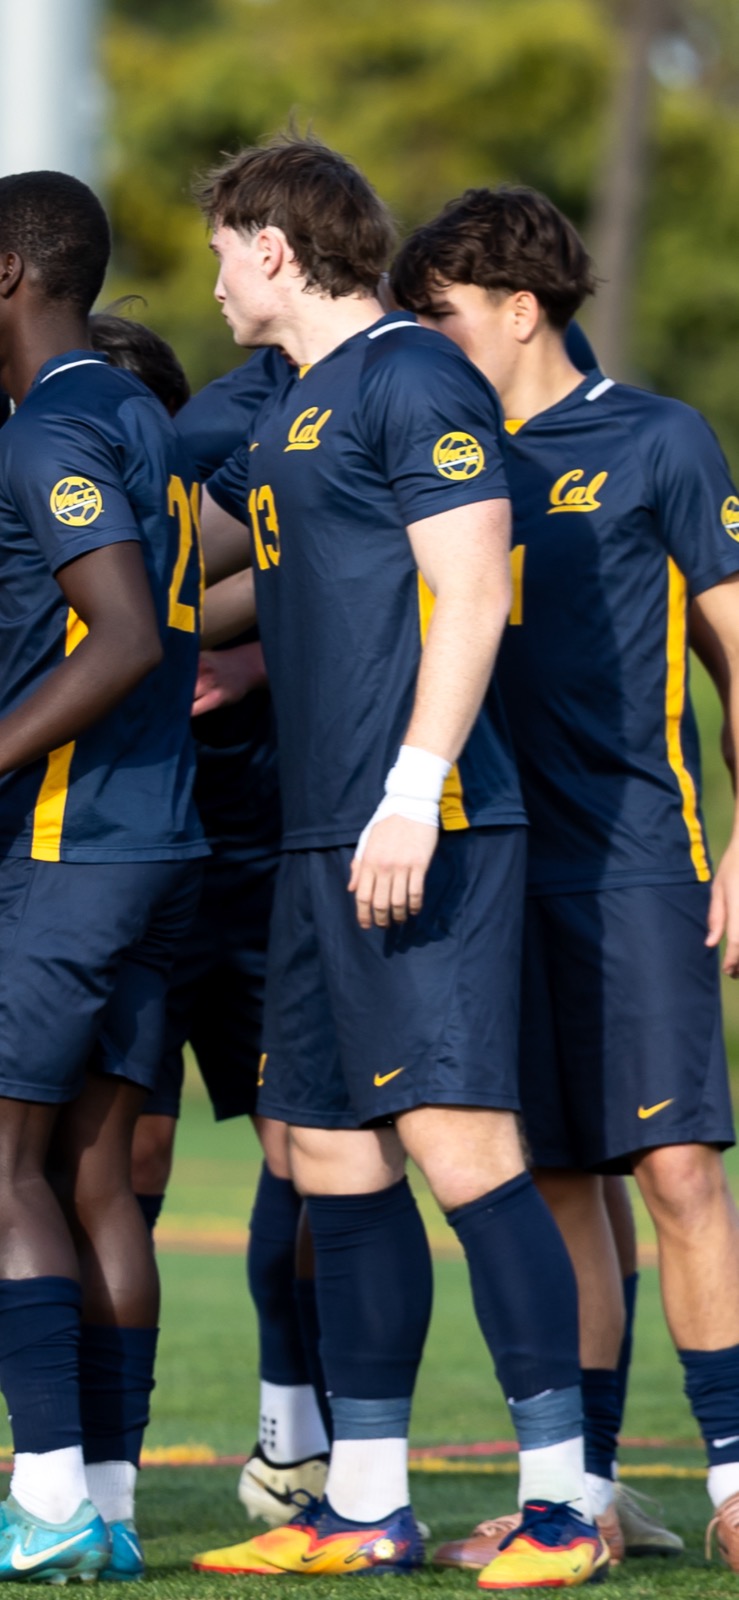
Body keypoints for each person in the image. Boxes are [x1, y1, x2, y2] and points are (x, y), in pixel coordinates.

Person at [185, 132, 608, 1591]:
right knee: (326, 1152)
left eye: (225, 251)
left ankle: (560, 1507)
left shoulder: (413, 375)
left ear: (275, 249)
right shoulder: (290, 407)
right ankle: (366, 1505)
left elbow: (471, 590)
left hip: (421, 827)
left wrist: (415, 792)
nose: (216, 280)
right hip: (314, 836)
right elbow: (221, 583)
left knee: (461, 1148)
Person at [391, 183, 739, 1573]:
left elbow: (735, 656)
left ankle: (732, 1475)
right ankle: (583, 1495)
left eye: (443, 316)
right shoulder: (441, 455)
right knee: (551, 1184)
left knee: (675, 1171)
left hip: (638, 860)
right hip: (491, 863)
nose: (425, 343)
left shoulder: (658, 438)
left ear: (520, 308)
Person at [89, 308, 331, 1520]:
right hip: (129, 864)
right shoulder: (79, 506)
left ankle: (296, 1439)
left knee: (307, 1147)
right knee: (123, 1153)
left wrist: (253, 659)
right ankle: (102, 1471)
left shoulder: (242, 463)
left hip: (266, 857)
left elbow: (342, 579)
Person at [0, 171, 207, 1583]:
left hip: (74, 849)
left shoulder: (54, 428)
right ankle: (110, 1508)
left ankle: (51, 1500)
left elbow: (124, 634)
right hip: (160, 846)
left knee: (5, 1164)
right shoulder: (142, 417)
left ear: (10, 273)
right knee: (94, 1178)